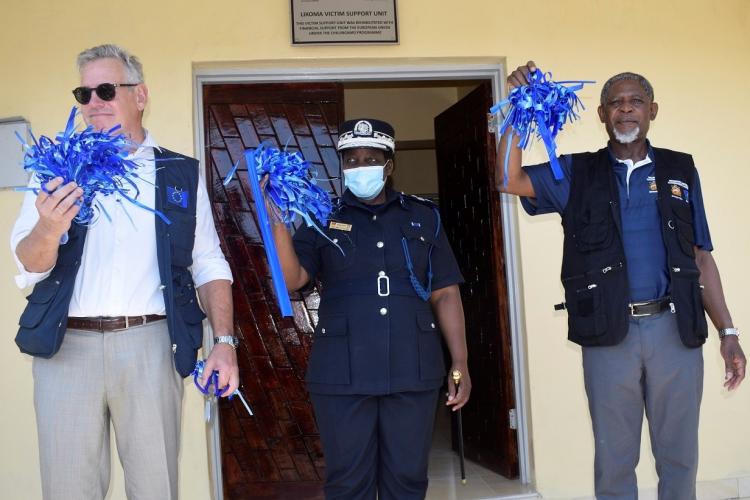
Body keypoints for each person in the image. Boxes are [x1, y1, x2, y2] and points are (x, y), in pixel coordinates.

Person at [497, 61, 746, 500]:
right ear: (601, 114)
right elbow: (507, 179)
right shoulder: (574, 172)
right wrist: (518, 111)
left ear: (652, 110)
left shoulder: (680, 169)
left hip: (675, 329)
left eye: (635, 102)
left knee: (680, 455)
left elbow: (700, 255)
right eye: (616, 103)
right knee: (614, 459)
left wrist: (726, 330)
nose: (625, 110)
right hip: (609, 335)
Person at [10, 44, 238, 500]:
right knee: (68, 488)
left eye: (107, 89)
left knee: (155, 487)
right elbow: (28, 263)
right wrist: (50, 227)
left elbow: (208, 261)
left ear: (140, 95)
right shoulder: (54, 169)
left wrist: (225, 343)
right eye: (84, 92)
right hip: (66, 348)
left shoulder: (178, 172)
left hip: (151, 345)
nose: (93, 101)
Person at [267, 118, 471, 499]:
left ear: (389, 165)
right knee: (348, 483)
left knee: (407, 481)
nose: (360, 168)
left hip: (413, 367)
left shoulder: (424, 215)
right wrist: (277, 219)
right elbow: (293, 279)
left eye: (370, 159)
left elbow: (445, 292)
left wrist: (460, 361)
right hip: (343, 372)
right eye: (351, 160)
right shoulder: (320, 216)